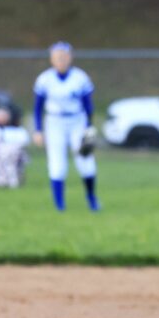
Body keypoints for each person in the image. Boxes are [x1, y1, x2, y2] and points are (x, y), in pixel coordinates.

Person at [32, 42, 99, 212]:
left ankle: (91, 198)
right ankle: (59, 204)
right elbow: (38, 107)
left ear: (70, 57)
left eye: (64, 56)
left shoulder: (80, 77)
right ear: (51, 59)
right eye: (57, 57)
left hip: (77, 120)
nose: (61, 60)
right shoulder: (45, 79)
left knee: (85, 161)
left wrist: (89, 127)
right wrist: (38, 129)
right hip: (54, 122)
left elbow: (88, 105)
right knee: (57, 163)